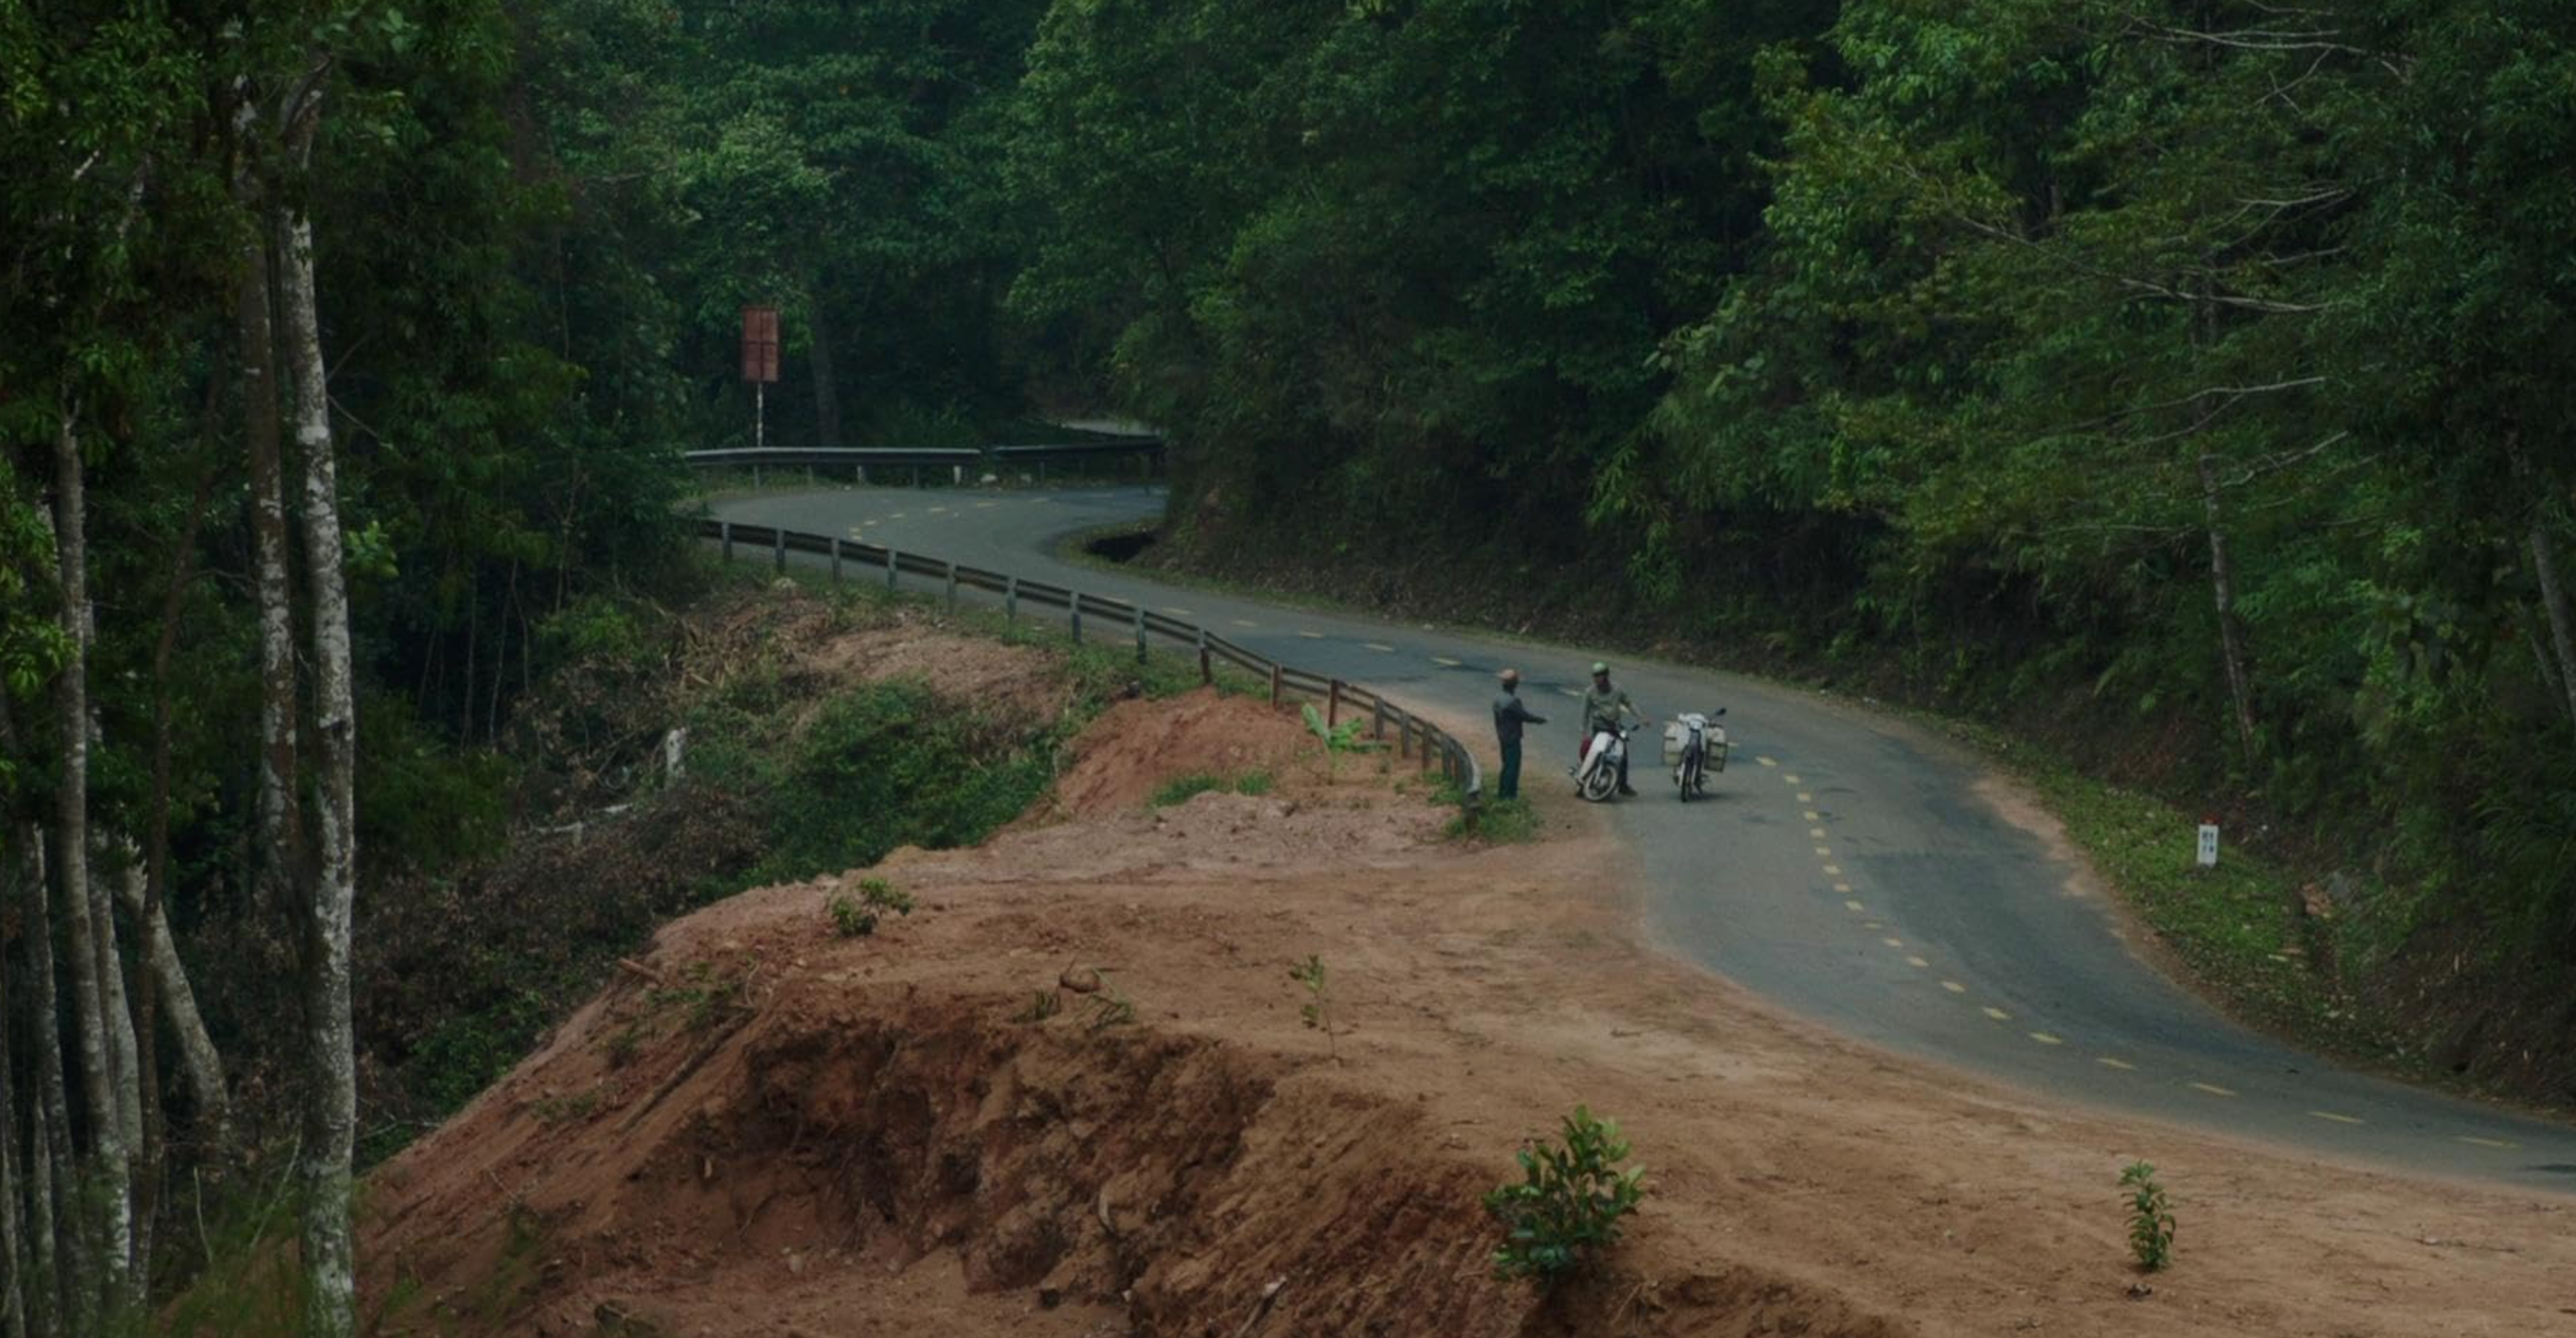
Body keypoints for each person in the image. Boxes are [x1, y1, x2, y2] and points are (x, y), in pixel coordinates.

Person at [1579, 661, 1645, 795]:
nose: (1597, 679)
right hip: (1598, 728)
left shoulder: (1617, 689)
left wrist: (1641, 717)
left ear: (1606, 675)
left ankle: (1623, 785)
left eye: (1600, 676)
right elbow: (1585, 714)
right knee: (1592, 755)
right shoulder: (1590, 692)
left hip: (1615, 728)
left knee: (1623, 756)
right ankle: (1583, 784)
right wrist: (1585, 733)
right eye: (1595, 676)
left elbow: (1629, 703)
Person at [1491, 669, 1547, 801]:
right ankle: (1510, 795)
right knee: (1513, 767)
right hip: (1512, 737)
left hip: (1502, 736)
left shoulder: (1497, 699)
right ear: (1514, 685)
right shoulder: (1513, 701)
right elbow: (1525, 716)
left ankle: (1502, 792)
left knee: (1506, 765)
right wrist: (1540, 720)